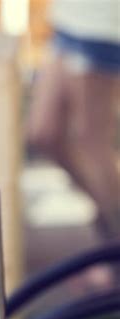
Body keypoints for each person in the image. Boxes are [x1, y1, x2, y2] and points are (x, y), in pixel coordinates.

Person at [28, 0, 120, 239]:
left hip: (99, 29)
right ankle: (109, 220)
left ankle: (112, 245)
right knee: (44, 133)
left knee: (92, 146)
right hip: (67, 22)